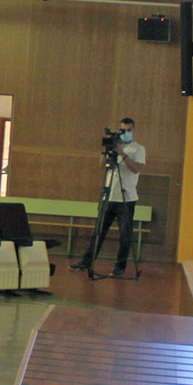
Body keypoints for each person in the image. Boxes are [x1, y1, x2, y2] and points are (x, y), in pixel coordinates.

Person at [71, 117, 146, 274]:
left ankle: (120, 267)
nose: (125, 133)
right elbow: (101, 166)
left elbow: (136, 169)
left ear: (133, 130)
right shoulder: (113, 148)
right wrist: (106, 151)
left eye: (128, 130)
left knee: (125, 236)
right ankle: (87, 262)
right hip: (109, 197)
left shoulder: (138, 149)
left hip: (126, 199)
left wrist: (122, 153)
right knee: (98, 232)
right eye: (122, 130)